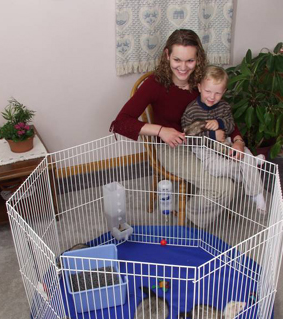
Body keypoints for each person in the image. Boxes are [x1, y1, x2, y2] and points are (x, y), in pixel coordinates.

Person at [110, 29, 245, 227]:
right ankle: (191, 218)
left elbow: (223, 113)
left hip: (205, 144)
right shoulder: (154, 84)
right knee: (224, 188)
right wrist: (160, 130)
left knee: (240, 172)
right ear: (167, 55)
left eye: (190, 61)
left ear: (198, 58)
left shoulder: (202, 82)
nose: (183, 67)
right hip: (174, 147)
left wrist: (238, 140)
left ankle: (198, 207)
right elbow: (120, 122)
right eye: (177, 60)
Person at [181, 65, 266, 213]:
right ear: (200, 87)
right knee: (217, 168)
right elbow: (188, 136)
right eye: (208, 91)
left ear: (224, 92)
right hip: (205, 150)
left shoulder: (224, 107)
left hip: (225, 144)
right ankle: (250, 163)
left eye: (217, 93)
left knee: (241, 151)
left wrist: (220, 123)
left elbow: (231, 125)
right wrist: (212, 134)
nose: (212, 97)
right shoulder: (191, 110)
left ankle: (257, 195)